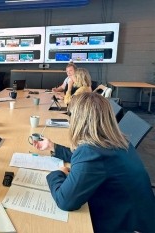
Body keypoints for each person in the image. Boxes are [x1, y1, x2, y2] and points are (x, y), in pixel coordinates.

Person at [33, 92, 155, 233]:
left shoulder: (91, 153)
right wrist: (53, 147)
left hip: (124, 225)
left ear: (78, 120)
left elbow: (65, 201)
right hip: (140, 217)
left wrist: (57, 174)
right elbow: (85, 158)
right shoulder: (117, 141)